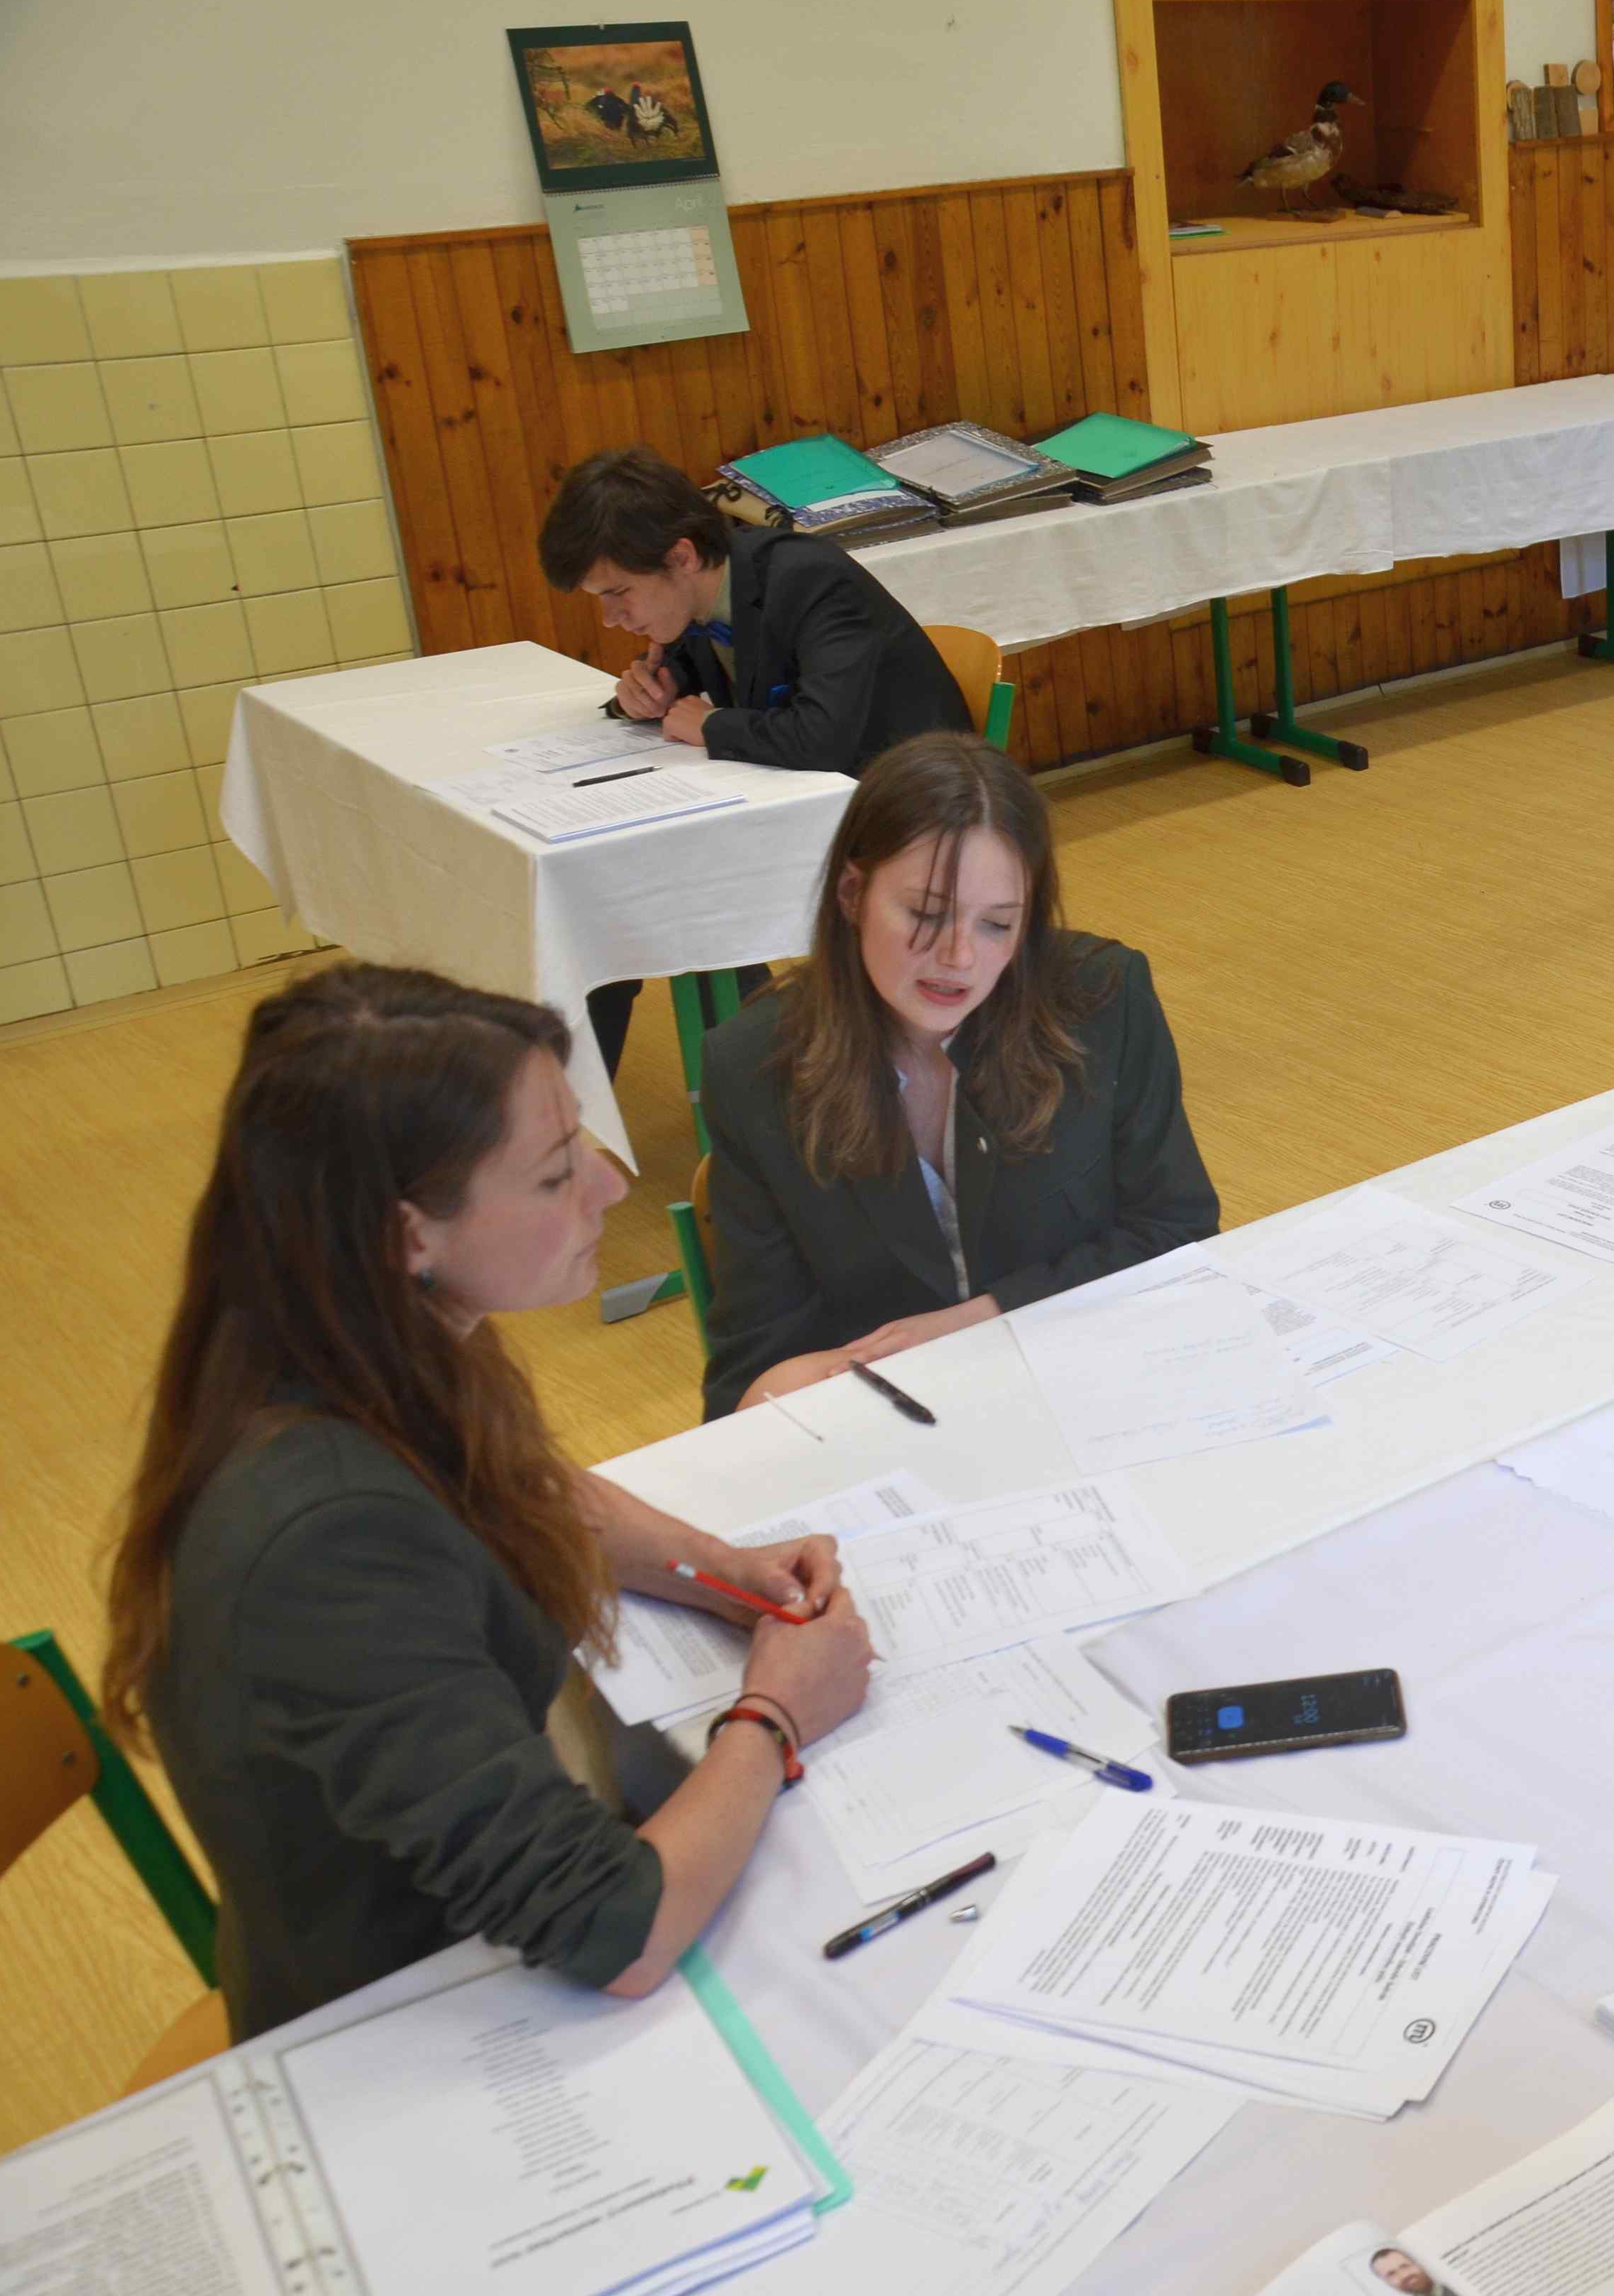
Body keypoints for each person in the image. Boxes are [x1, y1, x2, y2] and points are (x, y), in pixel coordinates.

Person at [100, 966, 875, 2040]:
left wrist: (724, 1571)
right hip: (421, 2031)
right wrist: (778, 1712)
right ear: (409, 1235)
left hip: (489, 1941)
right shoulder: (326, 1543)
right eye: (556, 1174)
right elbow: (617, 1929)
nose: (609, 1187)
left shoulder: (352, 1337)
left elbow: (518, 1482)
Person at [699, 732, 1219, 1418]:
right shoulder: (753, 1067)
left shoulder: (1103, 999)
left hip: (1095, 1387)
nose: (960, 957)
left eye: (998, 924)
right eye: (925, 914)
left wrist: (979, 1322)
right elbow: (751, 1368)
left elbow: (1178, 1230)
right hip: (896, 1423)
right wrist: (796, 1384)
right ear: (853, 894)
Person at [533, 444, 974, 1073]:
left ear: (681, 556)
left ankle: (762, 1071)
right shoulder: (698, 598)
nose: (609, 619)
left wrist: (712, 724)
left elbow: (820, 737)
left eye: (619, 593)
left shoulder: (810, 579)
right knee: (620, 888)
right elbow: (684, 686)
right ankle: (736, 1072)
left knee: (660, 883)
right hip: (808, 797)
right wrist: (640, 699)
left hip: (906, 806)